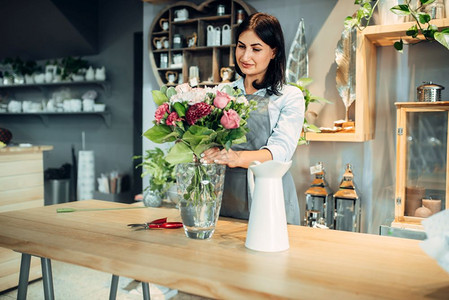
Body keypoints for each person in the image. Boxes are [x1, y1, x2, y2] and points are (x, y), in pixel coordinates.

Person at [201, 12, 305, 225]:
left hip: (268, 193)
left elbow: (280, 151)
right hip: (225, 195)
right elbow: (210, 140)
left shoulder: (289, 96)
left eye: (256, 49)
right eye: (241, 46)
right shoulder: (223, 92)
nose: (245, 57)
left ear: (273, 52)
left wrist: (237, 158)